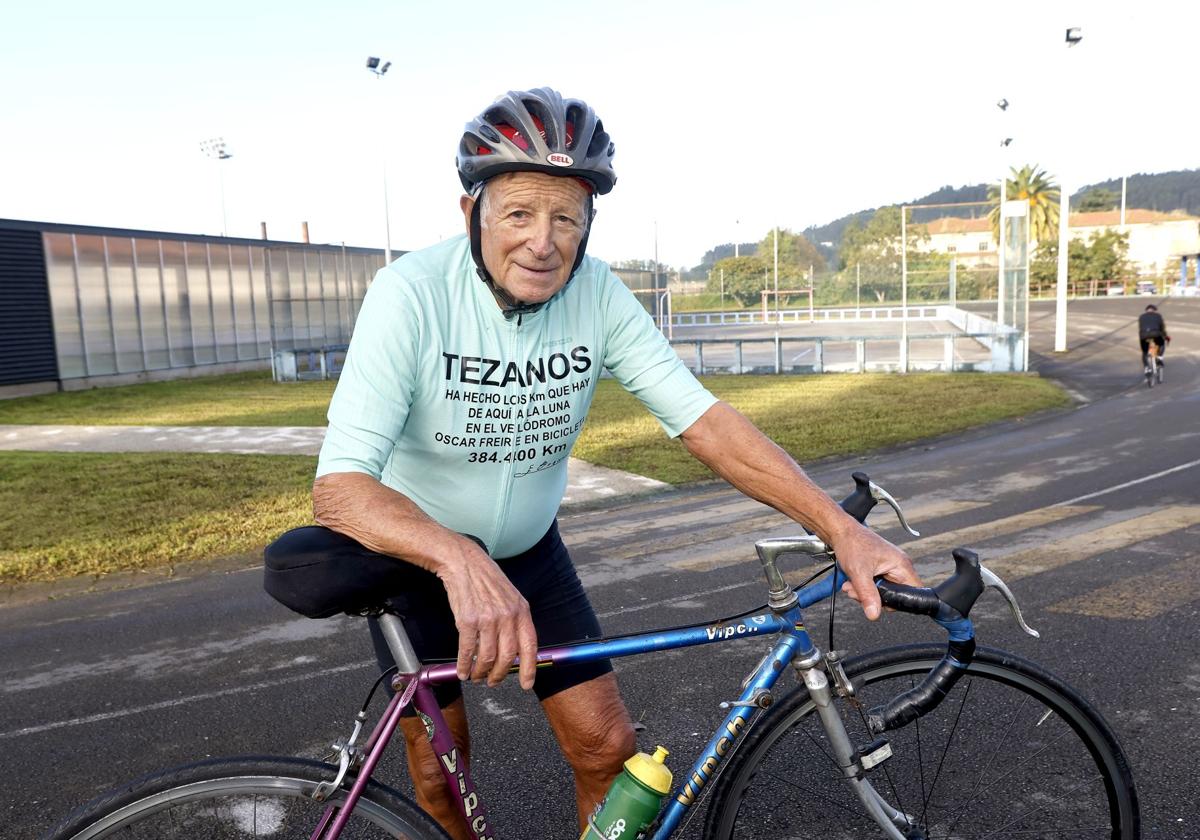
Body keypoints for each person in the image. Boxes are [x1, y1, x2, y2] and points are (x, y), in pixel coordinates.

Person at [267, 87, 920, 839]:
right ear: (470, 212)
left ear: (588, 225)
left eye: (565, 218)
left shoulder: (598, 293)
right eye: (518, 213)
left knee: (607, 750)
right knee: (438, 779)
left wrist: (839, 527)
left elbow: (702, 422)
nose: (542, 242)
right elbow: (342, 488)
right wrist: (458, 561)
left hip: (529, 553)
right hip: (420, 558)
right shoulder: (410, 294)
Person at [1138, 304, 1170, 373]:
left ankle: (1146, 367)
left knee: (1145, 352)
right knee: (1161, 344)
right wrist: (1165, 336)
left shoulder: (1141, 317)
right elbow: (1162, 328)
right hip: (1156, 334)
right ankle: (1159, 358)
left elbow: (1141, 327)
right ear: (1154, 310)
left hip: (1143, 336)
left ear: (1146, 310)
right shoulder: (1158, 316)